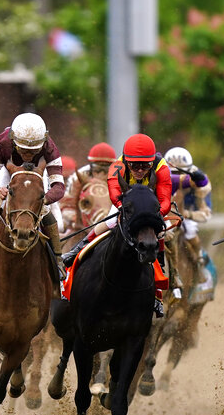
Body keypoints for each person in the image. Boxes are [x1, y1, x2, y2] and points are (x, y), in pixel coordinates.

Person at [63, 133, 173, 316]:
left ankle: (160, 278)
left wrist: (154, 215)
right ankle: (77, 251)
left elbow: (165, 199)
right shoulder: (117, 165)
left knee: (163, 234)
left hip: (151, 206)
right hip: (126, 205)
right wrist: (126, 210)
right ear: (126, 161)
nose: (139, 170)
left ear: (152, 161)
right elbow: (114, 193)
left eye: (145, 165)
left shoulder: (162, 167)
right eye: (134, 165)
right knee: (107, 223)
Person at [0, 113, 66, 291]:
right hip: (8, 173)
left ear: (42, 143)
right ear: (13, 141)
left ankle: (57, 259)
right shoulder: (1, 144)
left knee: (48, 213)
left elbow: (59, 187)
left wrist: (42, 199)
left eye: (33, 152)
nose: (27, 155)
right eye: (23, 150)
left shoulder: (49, 147)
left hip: (38, 177)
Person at [164, 146, 212, 260]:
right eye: (173, 173)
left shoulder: (199, 184)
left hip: (185, 218)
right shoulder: (161, 179)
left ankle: (199, 260)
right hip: (164, 215)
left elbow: (206, 214)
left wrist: (187, 214)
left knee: (190, 230)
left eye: (181, 172)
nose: (177, 177)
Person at [64, 142, 117, 233]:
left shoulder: (119, 178)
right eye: (97, 169)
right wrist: (75, 219)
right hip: (82, 226)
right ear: (91, 167)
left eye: (105, 170)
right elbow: (67, 205)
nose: (101, 175)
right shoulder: (78, 177)